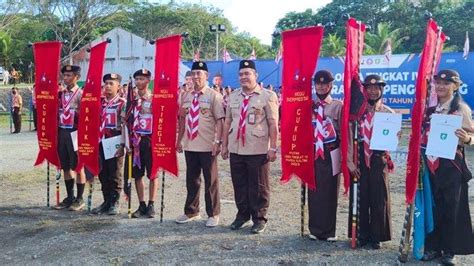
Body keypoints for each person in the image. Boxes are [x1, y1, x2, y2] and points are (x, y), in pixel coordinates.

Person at [421, 70, 474, 265]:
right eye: (438, 83)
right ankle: (433, 247)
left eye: (446, 83)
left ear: (455, 86)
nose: (441, 86)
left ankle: (449, 251)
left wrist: (467, 138)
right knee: (434, 207)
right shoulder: (431, 110)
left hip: (452, 166)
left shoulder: (461, 109)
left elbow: (472, 136)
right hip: (431, 165)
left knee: (452, 208)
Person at [221, 60, 279, 234]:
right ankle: (243, 214)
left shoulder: (268, 96)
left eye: (247, 74)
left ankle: (259, 218)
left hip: (258, 147)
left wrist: (273, 147)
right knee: (239, 183)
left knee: (259, 185)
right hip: (237, 147)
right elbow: (228, 121)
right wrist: (224, 145)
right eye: (241, 74)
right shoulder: (233, 96)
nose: (244, 77)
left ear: (256, 76)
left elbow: (273, 123)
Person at [347, 74, 395, 249]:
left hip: (378, 158)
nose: (373, 91)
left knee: (379, 197)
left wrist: (394, 136)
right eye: (369, 88)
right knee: (361, 197)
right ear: (364, 90)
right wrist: (349, 162)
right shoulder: (357, 113)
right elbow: (348, 136)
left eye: (376, 88)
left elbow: (394, 138)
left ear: (381, 90)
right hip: (359, 157)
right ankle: (361, 234)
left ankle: (377, 236)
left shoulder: (388, 113)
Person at [175, 61, 225, 227]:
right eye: (193, 73)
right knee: (192, 179)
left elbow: (220, 121)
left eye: (199, 73)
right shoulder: (186, 95)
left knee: (211, 180)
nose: (196, 77)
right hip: (190, 143)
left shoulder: (213, 96)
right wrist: (179, 140)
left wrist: (218, 141)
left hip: (207, 144)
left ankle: (213, 213)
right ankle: (191, 211)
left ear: (206, 76)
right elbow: (182, 119)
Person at [307, 70, 342, 241]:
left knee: (329, 190)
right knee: (313, 190)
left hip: (331, 152)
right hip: (313, 151)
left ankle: (329, 231)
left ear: (330, 86)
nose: (321, 87)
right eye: (318, 84)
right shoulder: (309, 105)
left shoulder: (337, 106)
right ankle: (314, 228)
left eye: (325, 84)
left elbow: (343, 131)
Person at [124, 69, 158, 218]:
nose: (139, 82)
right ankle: (141, 204)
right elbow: (125, 122)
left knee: (153, 174)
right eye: (137, 79)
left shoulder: (154, 99)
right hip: (135, 143)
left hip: (149, 141)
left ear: (148, 81)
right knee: (137, 175)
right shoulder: (131, 101)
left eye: (142, 79)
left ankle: (151, 204)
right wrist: (126, 143)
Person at [91, 73, 126, 215]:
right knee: (102, 172)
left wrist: (123, 144)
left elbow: (125, 125)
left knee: (115, 173)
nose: (108, 86)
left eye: (112, 83)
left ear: (118, 86)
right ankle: (106, 201)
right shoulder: (99, 102)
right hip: (100, 140)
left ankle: (115, 201)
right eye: (106, 83)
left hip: (115, 140)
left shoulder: (122, 103)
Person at [55, 65, 87, 211]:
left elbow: (87, 116)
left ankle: (80, 198)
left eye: (69, 75)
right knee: (65, 167)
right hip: (62, 133)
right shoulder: (60, 94)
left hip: (75, 134)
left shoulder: (81, 94)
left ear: (77, 77)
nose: (66, 78)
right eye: (65, 75)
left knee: (78, 166)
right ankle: (70, 197)